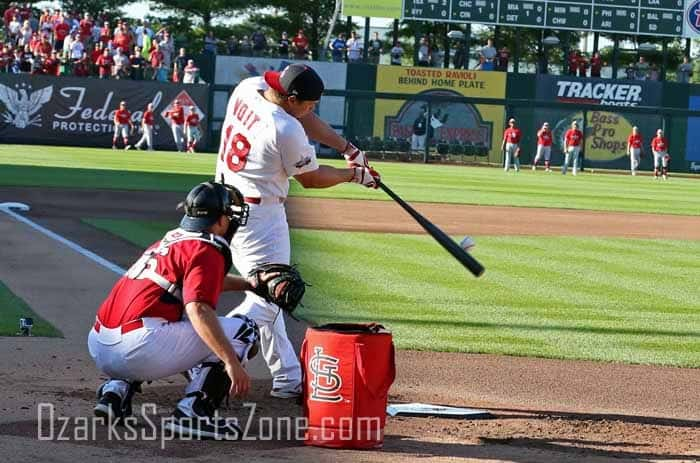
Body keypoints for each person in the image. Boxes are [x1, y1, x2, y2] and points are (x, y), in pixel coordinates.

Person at [215, 63, 381, 399]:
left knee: (267, 294)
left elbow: (303, 117)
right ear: (291, 98)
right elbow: (311, 178)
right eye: (309, 103)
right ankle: (207, 349)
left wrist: (347, 149)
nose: (313, 109)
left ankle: (288, 378)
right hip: (259, 217)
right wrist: (355, 176)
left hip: (222, 205)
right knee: (275, 293)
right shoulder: (284, 128)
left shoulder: (249, 87)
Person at [89, 181, 261, 440]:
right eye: (230, 214)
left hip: (101, 344)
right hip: (139, 347)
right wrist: (230, 361)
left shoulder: (171, 241)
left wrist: (249, 284)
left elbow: (196, 283)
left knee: (163, 315)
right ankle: (194, 412)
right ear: (222, 220)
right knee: (244, 331)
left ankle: (116, 391)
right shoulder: (207, 248)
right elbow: (199, 308)